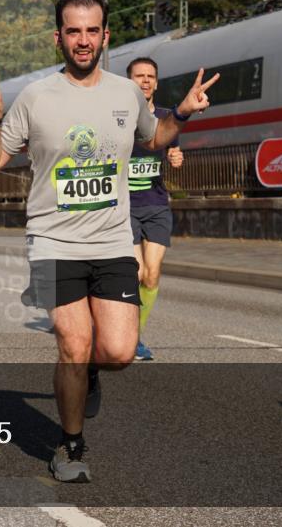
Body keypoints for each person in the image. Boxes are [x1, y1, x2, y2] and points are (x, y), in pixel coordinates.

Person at [0, 0, 216, 483]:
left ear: (106, 36)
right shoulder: (37, 97)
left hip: (111, 241)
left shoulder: (126, 93)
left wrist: (184, 113)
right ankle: (70, 445)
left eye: (91, 31)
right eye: (72, 31)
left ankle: (90, 376)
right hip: (54, 243)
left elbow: (154, 138)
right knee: (74, 343)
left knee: (119, 352)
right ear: (57, 37)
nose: (82, 41)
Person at [126, 57, 185, 361]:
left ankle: (134, 335)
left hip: (157, 205)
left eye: (151, 76)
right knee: (135, 273)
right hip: (125, 209)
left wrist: (175, 159)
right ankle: (129, 338)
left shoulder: (165, 118)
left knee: (152, 275)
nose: (146, 81)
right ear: (130, 81)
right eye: (140, 76)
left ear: (157, 83)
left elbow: (173, 151)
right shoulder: (119, 119)